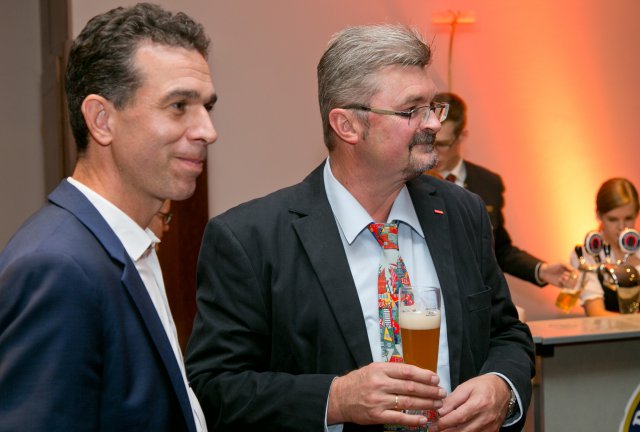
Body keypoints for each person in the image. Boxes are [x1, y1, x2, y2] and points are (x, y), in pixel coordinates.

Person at [186, 24, 534, 432]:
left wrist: (502, 387)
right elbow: (213, 388)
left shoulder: (462, 212)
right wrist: (334, 399)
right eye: (411, 110)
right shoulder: (250, 240)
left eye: (432, 106)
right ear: (347, 126)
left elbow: (507, 333)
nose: (433, 124)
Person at [0, 4, 217, 431]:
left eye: (207, 107)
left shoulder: (129, 244)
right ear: (101, 120)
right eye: (178, 105)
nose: (208, 131)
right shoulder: (57, 266)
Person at [428, 92, 574, 288]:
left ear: (462, 137)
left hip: (477, 297)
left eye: (442, 144)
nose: (433, 151)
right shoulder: (411, 181)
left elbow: (499, 249)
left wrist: (541, 270)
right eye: (428, 141)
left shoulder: (488, 184)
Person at [570, 178, 640, 316]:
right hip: (611, 330)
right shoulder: (585, 254)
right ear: (599, 215)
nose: (621, 227)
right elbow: (596, 314)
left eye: (628, 218)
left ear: (637, 214)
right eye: (613, 219)